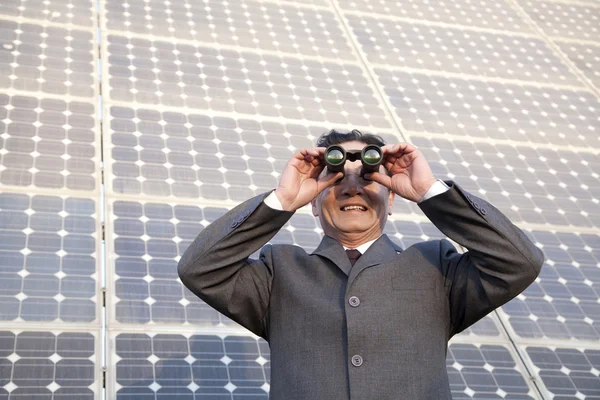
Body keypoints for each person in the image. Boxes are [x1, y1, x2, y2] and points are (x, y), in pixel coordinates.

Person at [178, 129, 544, 399]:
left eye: (369, 177)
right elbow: (200, 269)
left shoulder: (436, 267)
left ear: (392, 197)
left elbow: (519, 262)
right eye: (335, 178)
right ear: (314, 201)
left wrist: (429, 191)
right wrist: (281, 200)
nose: (352, 188)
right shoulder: (280, 272)